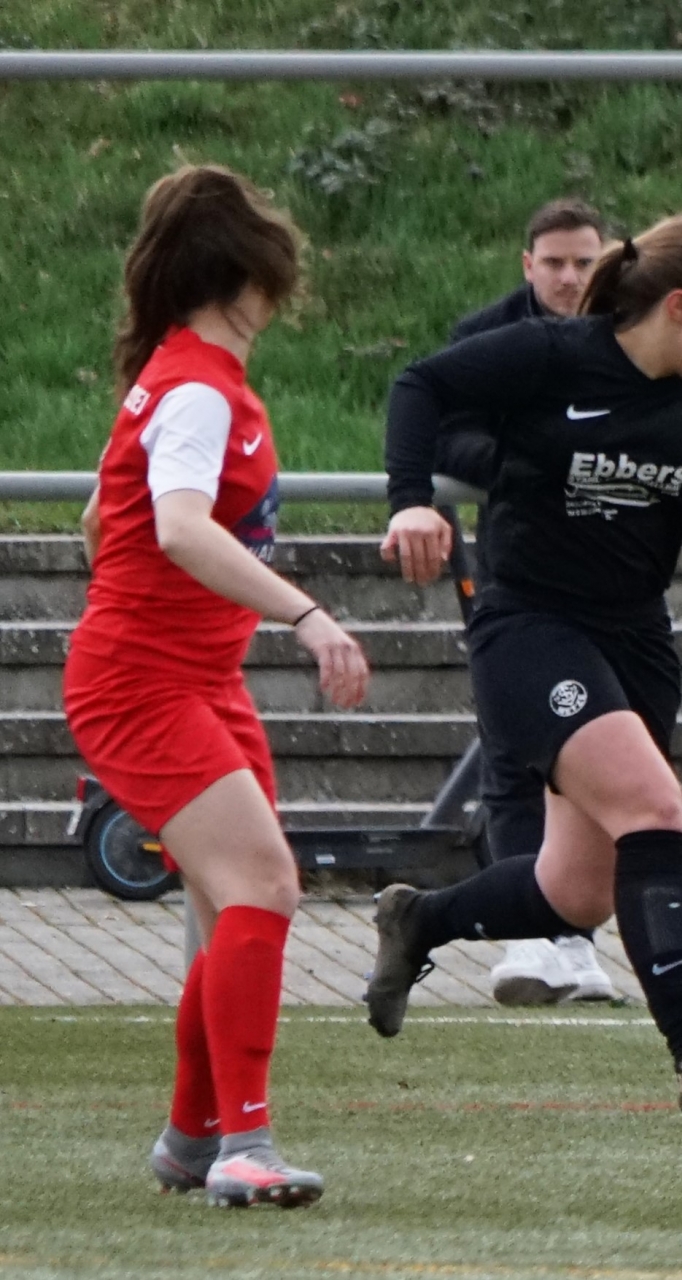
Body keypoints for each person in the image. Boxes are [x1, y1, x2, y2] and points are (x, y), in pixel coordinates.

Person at [365, 214, 682, 1121]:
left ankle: (420, 921)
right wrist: (411, 503)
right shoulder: (552, 353)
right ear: (680, 306)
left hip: (635, 639)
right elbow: (420, 386)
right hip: (532, 627)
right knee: (655, 806)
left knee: (576, 893)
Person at [66, 164, 369, 1205]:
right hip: (143, 681)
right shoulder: (197, 387)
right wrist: (308, 615)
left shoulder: (188, 376)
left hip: (192, 675)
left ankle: (193, 1138)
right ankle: (245, 1143)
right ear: (252, 274)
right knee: (264, 886)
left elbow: (116, 519)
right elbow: (182, 529)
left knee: (225, 903)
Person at [435, 197, 618, 1007]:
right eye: (555, 263)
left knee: (600, 756)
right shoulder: (487, 336)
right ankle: (530, 938)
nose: (571, 278)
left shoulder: (632, 330)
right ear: (527, 265)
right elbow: (445, 429)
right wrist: (529, 464)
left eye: (585, 262)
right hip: (517, 568)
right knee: (514, 751)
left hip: (614, 575)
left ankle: (575, 940)